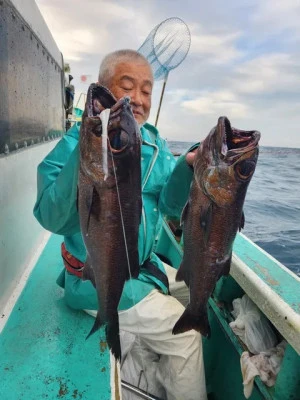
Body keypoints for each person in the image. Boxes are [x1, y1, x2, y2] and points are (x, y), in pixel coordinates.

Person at [33, 49, 207, 400]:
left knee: (200, 292)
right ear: (103, 91)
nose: (139, 100)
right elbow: (51, 217)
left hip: (142, 269)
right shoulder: (74, 144)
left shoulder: (154, 144)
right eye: (128, 87)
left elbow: (171, 206)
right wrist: (89, 148)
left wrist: (187, 166)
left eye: (147, 90)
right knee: (187, 335)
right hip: (97, 278)